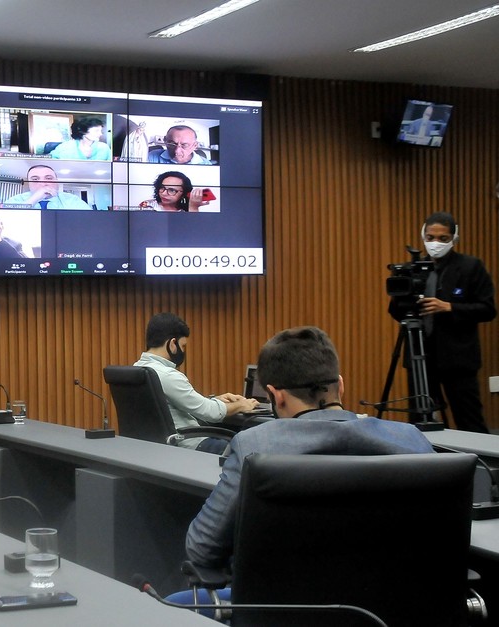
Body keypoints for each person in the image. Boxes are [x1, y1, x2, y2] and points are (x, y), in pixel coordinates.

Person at [168, 327, 434, 609]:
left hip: (279, 612)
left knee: (170, 606)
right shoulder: (411, 440)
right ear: (340, 386)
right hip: (398, 611)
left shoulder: (254, 445)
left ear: (275, 396)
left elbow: (201, 550)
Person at [389, 212, 496, 433]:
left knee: (469, 419)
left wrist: (449, 307)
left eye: (442, 238)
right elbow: (396, 311)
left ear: (453, 238)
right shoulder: (414, 267)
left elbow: (488, 309)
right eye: (430, 237)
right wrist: (406, 301)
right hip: (420, 355)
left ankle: (483, 464)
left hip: (458, 359)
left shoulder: (470, 266)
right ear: (423, 236)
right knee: (420, 419)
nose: (435, 243)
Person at [133, 313, 258, 453]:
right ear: (172, 344)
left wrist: (213, 400)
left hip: (153, 448)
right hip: (188, 445)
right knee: (246, 449)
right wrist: (241, 405)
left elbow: (172, 406)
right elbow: (210, 413)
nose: (183, 351)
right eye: (183, 346)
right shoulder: (167, 375)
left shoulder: (136, 369)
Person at [2, 164, 93, 209]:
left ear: (56, 182)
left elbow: (90, 220)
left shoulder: (72, 200)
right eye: (35, 179)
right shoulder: (16, 200)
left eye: (49, 178)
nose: (43, 183)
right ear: (29, 184)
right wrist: (35, 198)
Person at [138, 170, 209, 212]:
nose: (164, 193)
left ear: (183, 193)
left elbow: (194, 231)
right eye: (162, 187)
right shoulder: (148, 205)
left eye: (172, 190)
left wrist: (193, 207)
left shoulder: (186, 210)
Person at [148, 125, 212, 165]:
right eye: (172, 144)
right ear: (165, 141)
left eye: (185, 145)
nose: (177, 151)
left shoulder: (206, 165)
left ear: (195, 146)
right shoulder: (152, 156)